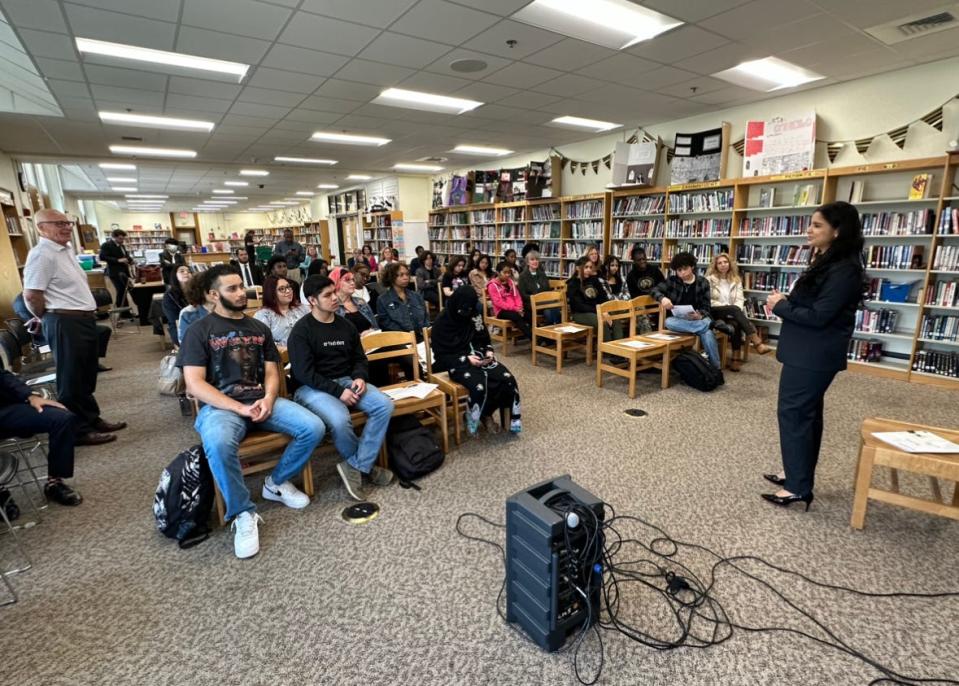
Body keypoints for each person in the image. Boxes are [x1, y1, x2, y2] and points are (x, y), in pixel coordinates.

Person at [179, 264, 324, 558]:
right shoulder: (199, 330)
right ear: (212, 294)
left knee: (314, 427)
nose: (240, 292)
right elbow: (194, 384)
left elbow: (272, 371)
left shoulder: (259, 328)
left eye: (241, 286)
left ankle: (277, 481)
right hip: (222, 407)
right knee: (218, 444)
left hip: (261, 400)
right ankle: (243, 512)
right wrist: (238, 408)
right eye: (231, 288)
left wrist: (269, 399)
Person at [762, 202, 865, 511]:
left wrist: (780, 305)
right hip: (805, 352)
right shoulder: (827, 260)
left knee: (794, 415)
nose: (809, 229)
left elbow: (820, 315)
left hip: (813, 355)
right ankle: (797, 474)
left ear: (838, 231)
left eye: (817, 225)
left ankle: (797, 488)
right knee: (806, 416)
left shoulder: (844, 269)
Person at [23, 209, 125, 446]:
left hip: (82, 319)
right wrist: (45, 316)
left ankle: (91, 418)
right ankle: (77, 430)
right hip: (64, 320)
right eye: (59, 223)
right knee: (71, 379)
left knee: (86, 374)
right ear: (41, 228)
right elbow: (31, 294)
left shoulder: (65, 250)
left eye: (68, 222)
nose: (67, 227)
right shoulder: (42, 255)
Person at [289, 275, 395, 502]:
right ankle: (367, 468)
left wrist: (359, 377)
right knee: (339, 420)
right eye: (327, 295)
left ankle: (357, 465)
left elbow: (359, 358)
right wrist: (338, 392)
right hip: (312, 387)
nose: (335, 297)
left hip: (346, 380)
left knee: (384, 405)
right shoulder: (302, 331)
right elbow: (303, 373)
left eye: (333, 292)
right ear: (312, 300)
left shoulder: (345, 325)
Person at [431, 286, 521, 436]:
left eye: (470, 309)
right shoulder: (442, 322)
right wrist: (466, 359)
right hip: (457, 361)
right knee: (479, 386)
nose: (466, 314)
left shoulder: (475, 315)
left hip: (480, 356)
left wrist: (489, 351)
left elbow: (484, 337)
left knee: (507, 380)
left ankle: (486, 413)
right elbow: (440, 356)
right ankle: (475, 417)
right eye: (464, 310)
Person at [0, 367, 82, 506]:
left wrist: (30, 396)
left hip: (5, 410)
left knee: (62, 419)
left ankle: (54, 482)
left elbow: (2, 375)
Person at [653, 252, 732, 369]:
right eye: (679, 270)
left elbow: (706, 306)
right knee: (668, 322)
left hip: (696, 319)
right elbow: (654, 290)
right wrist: (662, 298)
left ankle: (716, 369)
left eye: (685, 269)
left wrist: (700, 315)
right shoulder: (672, 281)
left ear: (692, 267)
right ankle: (711, 325)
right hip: (679, 321)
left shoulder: (703, 282)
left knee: (707, 333)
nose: (682, 273)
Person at [14, 293, 113, 372]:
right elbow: (37, 322)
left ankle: (91, 362)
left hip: (59, 326)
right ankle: (87, 364)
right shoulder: (25, 300)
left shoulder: (36, 297)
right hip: (47, 334)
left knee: (103, 331)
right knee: (95, 332)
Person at [706, 253, 771, 371]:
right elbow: (708, 300)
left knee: (736, 323)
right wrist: (729, 307)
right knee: (734, 310)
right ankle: (757, 342)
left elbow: (740, 299)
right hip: (715, 311)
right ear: (715, 266)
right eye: (719, 263)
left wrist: (733, 309)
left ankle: (735, 359)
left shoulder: (736, 280)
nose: (723, 265)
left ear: (730, 264)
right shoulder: (709, 280)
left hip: (732, 313)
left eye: (725, 262)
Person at [567, 256, 623, 341]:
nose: (589, 270)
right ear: (578, 268)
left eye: (590, 267)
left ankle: (618, 348)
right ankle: (606, 351)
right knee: (601, 321)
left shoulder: (594, 280)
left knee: (615, 318)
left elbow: (603, 297)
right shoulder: (572, 284)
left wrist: (605, 310)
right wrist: (599, 312)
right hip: (580, 313)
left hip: (597, 310)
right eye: (586, 267)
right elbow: (578, 305)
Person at [376, 262, 429, 342]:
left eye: (407, 274)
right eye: (401, 275)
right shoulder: (383, 299)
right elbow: (386, 324)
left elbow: (425, 318)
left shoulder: (416, 296)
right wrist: (408, 336)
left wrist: (426, 335)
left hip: (420, 338)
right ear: (392, 277)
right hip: (398, 341)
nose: (406, 277)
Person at [254, 276, 310, 347]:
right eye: (282, 289)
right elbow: (264, 343)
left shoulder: (302, 308)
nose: (288, 291)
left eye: (288, 287)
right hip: (281, 355)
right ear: (272, 293)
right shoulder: (264, 314)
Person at [488, 261, 533, 340]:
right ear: (498, 272)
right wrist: (515, 309)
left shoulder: (510, 282)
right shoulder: (492, 285)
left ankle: (537, 334)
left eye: (509, 272)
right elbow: (498, 302)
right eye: (505, 272)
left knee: (528, 313)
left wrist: (519, 307)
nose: (507, 275)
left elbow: (517, 296)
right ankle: (532, 337)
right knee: (516, 316)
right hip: (501, 311)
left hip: (515, 308)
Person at [330, 267, 377, 336]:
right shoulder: (331, 306)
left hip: (371, 342)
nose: (352, 283)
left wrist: (372, 331)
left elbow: (376, 327)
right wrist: (359, 336)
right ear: (336, 282)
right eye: (347, 280)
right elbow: (334, 336)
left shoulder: (361, 302)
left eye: (353, 280)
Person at [518, 251, 561, 325]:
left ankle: (552, 330)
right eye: (532, 259)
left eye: (537, 259)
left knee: (552, 309)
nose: (535, 261)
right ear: (527, 263)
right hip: (530, 304)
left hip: (544, 303)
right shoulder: (522, 276)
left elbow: (547, 290)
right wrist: (537, 297)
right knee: (550, 310)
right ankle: (549, 331)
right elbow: (523, 295)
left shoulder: (542, 274)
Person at [98, 228, 133, 312]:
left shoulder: (122, 246)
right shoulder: (106, 245)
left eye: (123, 239)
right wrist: (117, 260)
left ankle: (125, 311)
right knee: (121, 291)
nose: (122, 240)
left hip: (124, 272)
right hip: (115, 272)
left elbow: (125, 256)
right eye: (120, 238)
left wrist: (131, 260)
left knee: (124, 291)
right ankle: (122, 312)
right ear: (114, 237)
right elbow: (102, 257)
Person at [177, 270, 215, 345]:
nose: (214, 292)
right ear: (199, 291)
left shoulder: (228, 308)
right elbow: (185, 342)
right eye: (209, 289)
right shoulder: (188, 313)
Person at [162, 265, 191, 346]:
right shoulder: (169, 296)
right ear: (175, 275)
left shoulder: (197, 291)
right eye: (182, 271)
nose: (186, 273)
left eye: (189, 271)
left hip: (199, 324)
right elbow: (174, 319)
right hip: (179, 327)